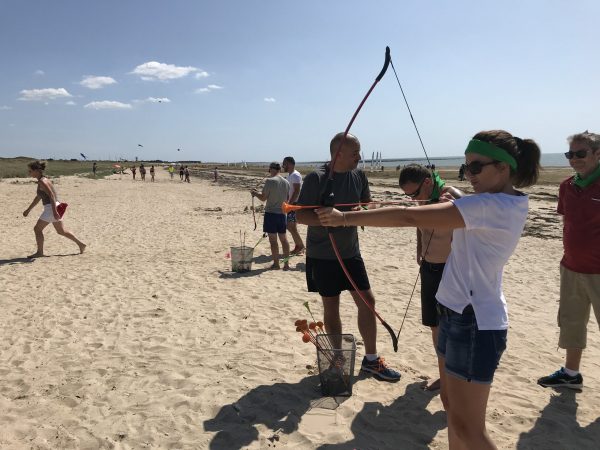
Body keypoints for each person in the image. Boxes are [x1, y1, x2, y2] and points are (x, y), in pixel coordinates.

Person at [316, 130, 540, 449]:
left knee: (469, 425)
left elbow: (408, 215)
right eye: (465, 169)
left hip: (475, 322)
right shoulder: (493, 202)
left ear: (503, 168)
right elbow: (474, 211)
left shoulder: (491, 205)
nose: (468, 175)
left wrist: (343, 219)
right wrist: (459, 198)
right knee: (452, 408)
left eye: (476, 168)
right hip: (455, 313)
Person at [296, 132, 401, 382]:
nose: (359, 157)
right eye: (355, 153)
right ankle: (338, 359)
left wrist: (360, 211)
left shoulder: (359, 175)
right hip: (322, 254)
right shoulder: (316, 178)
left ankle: (372, 361)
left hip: (350, 253)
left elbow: (368, 206)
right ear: (339, 153)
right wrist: (324, 218)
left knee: (368, 302)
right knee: (331, 306)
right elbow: (300, 216)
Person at [538, 131, 600, 390]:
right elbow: (568, 224)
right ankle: (571, 373)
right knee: (571, 322)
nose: (575, 159)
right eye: (570, 154)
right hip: (572, 267)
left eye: (581, 153)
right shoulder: (566, 186)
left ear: (598, 154)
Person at [399, 164, 463, 391]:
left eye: (414, 193)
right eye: (408, 196)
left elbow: (473, 215)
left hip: (450, 269)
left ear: (427, 182)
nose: (413, 199)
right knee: (435, 326)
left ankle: (456, 378)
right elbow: (417, 220)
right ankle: (444, 376)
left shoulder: (452, 194)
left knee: (453, 327)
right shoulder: (422, 199)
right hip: (429, 267)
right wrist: (419, 245)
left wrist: (456, 202)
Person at [22, 160, 86, 258]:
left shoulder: (42, 181)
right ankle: (81, 244)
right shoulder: (44, 180)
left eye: (30, 171)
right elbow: (38, 197)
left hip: (51, 208)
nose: (29, 173)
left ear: (37, 170)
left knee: (37, 229)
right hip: (55, 206)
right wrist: (28, 209)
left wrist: (55, 211)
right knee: (61, 231)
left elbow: (51, 195)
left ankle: (40, 252)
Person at [251, 162, 291, 270]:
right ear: (279, 170)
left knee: (273, 241)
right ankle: (286, 264)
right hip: (282, 214)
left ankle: (277, 264)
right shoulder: (286, 182)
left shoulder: (270, 181)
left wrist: (255, 193)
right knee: (284, 239)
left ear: (271, 169)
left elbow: (263, 198)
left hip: (271, 214)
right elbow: (287, 199)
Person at [282, 156, 305, 255]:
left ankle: (300, 246)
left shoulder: (295, 175)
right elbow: (290, 190)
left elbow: (297, 190)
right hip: (291, 203)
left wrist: (290, 204)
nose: (283, 165)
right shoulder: (290, 175)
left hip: (295, 204)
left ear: (290, 164)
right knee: (291, 226)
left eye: (285, 163)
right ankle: (299, 246)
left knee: (291, 226)